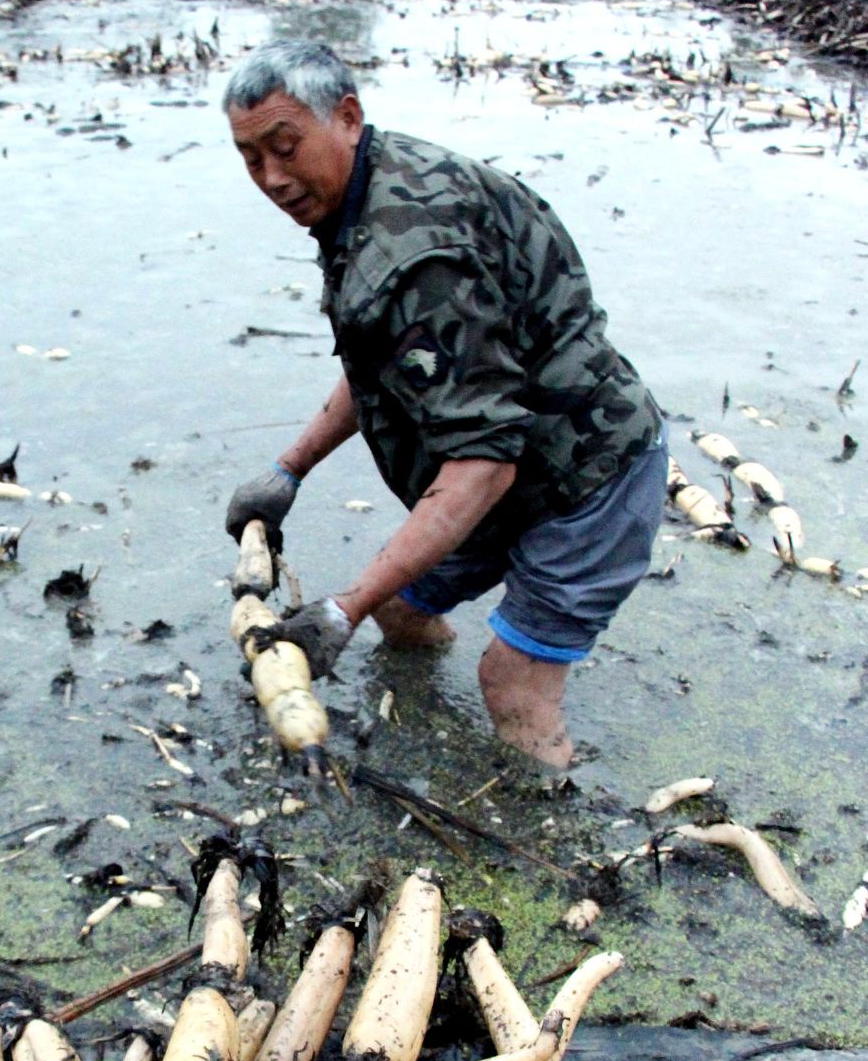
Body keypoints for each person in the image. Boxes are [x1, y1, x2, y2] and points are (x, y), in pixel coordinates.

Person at [220, 41, 666, 769]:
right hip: (500, 457)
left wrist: (341, 608)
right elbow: (377, 364)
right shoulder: (358, 194)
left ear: (349, 117)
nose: (272, 178)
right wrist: (288, 470)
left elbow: (484, 464)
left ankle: (546, 834)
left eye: (285, 147)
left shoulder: (416, 256)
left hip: (584, 477)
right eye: (250, 158)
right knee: (400, 609)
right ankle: (421, 723)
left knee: (511, 685)